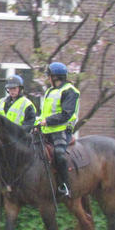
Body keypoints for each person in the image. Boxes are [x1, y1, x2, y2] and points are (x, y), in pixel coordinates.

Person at [35, 62, 79, 197]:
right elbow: (44, 113)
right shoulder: (49, 91)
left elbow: (66, 114)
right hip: (46, 130)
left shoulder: (70, 91)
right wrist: (37, 124)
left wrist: (47, 121)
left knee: (59, 154)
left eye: (49, 76)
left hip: (62, 130)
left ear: (55, 77)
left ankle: (65, 186)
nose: (48, 78)